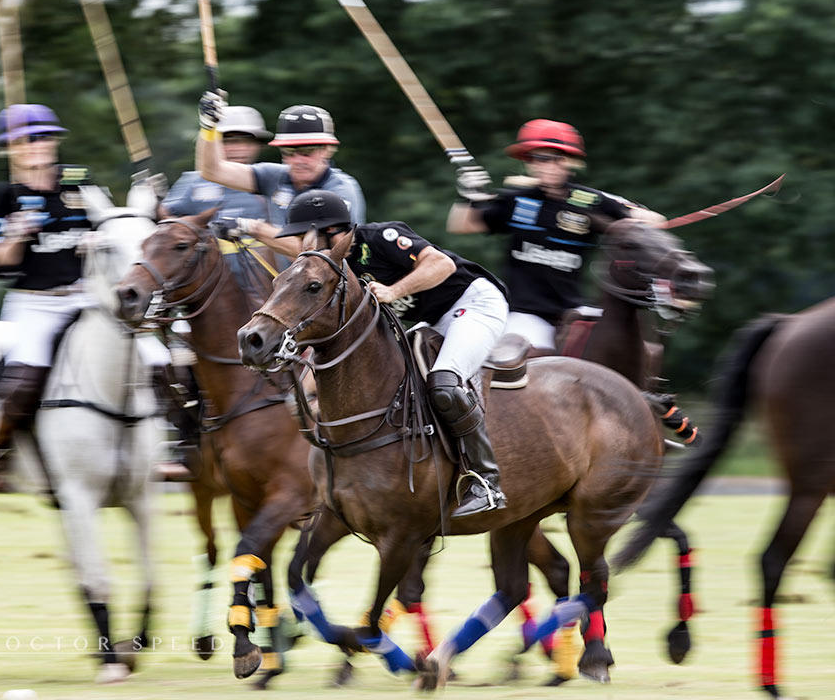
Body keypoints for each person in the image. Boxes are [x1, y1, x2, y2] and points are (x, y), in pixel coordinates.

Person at [275, 189, 509, 518]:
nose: (302, 245)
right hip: (433, 320)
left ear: (332, 232)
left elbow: (440, 264)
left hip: (474, 304)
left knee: (444, 383)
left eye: (304, 237)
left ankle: (486, 481)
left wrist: (394, 290)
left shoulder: (380, 237)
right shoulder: (337, 270)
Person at [446, 119, 664, 352]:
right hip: (525, 314)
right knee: (508, 360)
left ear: (570, 162)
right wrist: (467, 195)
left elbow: (655, 222)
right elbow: (462, 225)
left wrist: (612, 202)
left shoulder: (590, 201)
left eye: (555, 158)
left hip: (573, 312)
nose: (546, 166)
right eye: (538, 159)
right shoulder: (517, 200)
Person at [0, 104, 95, 491]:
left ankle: (181, 443)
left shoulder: (79, 181)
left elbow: (109, 223)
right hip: (34, 302)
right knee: (24, 379)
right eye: (25, 140)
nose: (36, 145)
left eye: (43, 137)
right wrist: (14, 238)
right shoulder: (3, 196)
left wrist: (100, 238)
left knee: (153, 357)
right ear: (8, 149)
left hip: (86, 297)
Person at [152, 106, 275, 481]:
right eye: (228, 140)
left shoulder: (269, 182)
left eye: (244, 141)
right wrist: (154, 202)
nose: (236, 148)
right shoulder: (193, 182)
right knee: (176, 366)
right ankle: (188, 444)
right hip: (205, 309)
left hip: (264, 300)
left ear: (256, 145)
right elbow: (166, 227)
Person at [195, 93, 365, 261]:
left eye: (307, 151)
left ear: (327, 149)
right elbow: (212, 171)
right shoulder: (276, 176)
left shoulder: (341, 189)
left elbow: (321, 252)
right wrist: (209, 128)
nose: (297, 160)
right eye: (288, 151)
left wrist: (251, 227)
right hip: (290, 278)